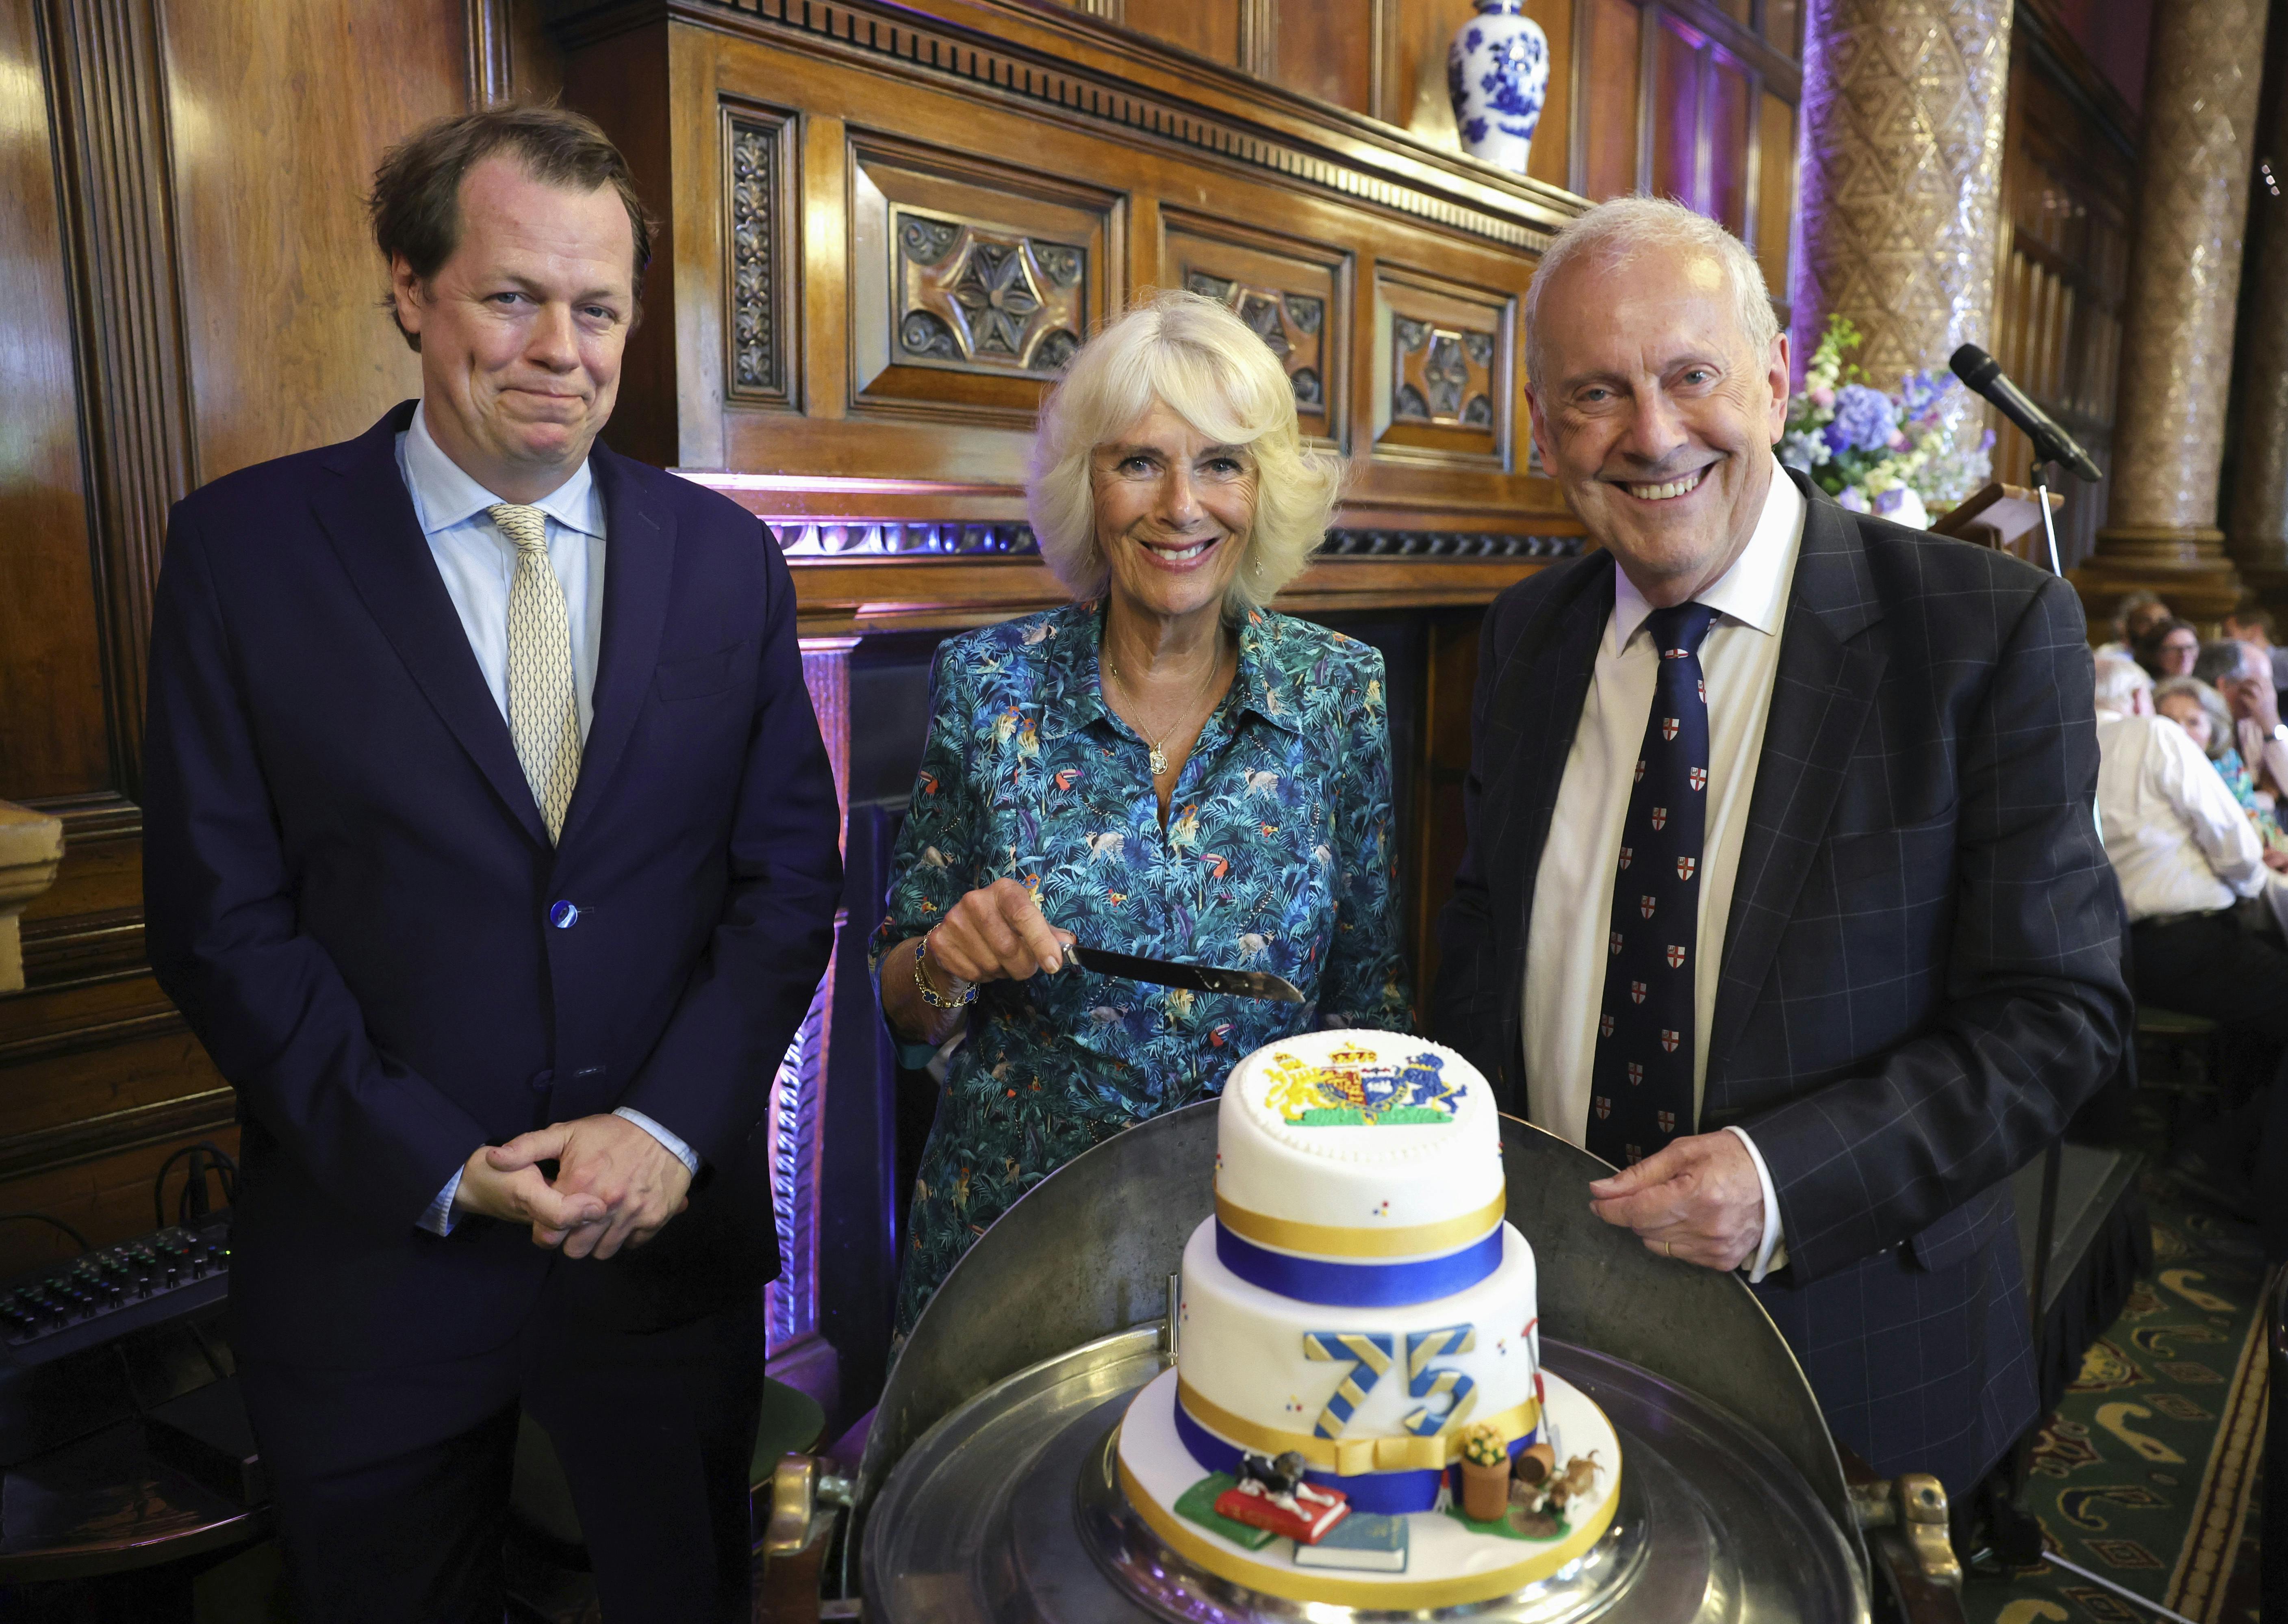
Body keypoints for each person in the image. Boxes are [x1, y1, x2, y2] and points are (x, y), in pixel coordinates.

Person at [140, 107, 844, 1622]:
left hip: (662, 1282)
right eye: (511, 296)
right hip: (372, 1278)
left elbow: (788, 882)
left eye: (597, 308)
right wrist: (436, 1164)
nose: (560, 349)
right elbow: (220, 922)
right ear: (409, 288)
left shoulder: (726, 562)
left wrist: (663, 1126)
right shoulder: (242, 553)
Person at [1430, 196, 2129, 1502]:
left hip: (1851, 1358)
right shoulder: (1526, 635)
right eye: (1594, 393)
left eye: (1690, 375)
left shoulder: (1982, 633)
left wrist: (1778, 1185)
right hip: (1545, 1341)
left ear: (1771, 376)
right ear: (1541, 428)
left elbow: (2057, 1015)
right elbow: (1482, 934)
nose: (1650, 434)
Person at [873, 291, 1409, 1332]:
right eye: (1138, 463)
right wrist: (950, 955)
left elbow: (1367, 1008)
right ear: (1089, 485)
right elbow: (903, 1000)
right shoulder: (988, 686)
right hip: (1013, 1238)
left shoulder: (1341, 695)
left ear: (1263, 490)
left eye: (1220, 463)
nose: (1180, 506)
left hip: (1260, 1237)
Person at [2155, 674, 2288, 862]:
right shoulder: (2158, 771)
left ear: (2212, 733)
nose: (2180, 731)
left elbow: (2253, 814)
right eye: (2169, 721)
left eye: (2193, 722)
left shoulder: (2227, 762)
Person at [2192, 638, 2288, 802]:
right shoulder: (2196, 725)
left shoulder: (2255, 721)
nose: (2270, 694)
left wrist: (2272, 724)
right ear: (2224, 685)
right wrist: (2268, 798)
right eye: (2262, 683)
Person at [2222, 598, 2288, 692]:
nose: (2225, 641)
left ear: (2254, 631)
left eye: (2229, 634)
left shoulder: (2284, 661)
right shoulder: (2234, 670)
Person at [2095, 588, 2170, 659]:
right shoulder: (2110, 656)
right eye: (2145, 622)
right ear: (2126, 626)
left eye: (2162, 622)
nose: (2155, 627)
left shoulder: (2176, 658)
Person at [2136, 616, 2202, 680]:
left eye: (2190, 648)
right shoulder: (2143, 686)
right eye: (2174, 649)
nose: (2184, 655)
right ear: (2155, 654)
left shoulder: (2203, 688)